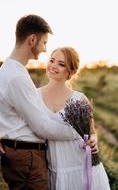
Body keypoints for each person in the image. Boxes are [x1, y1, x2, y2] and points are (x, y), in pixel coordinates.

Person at [0, 14, 98, 190]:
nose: (44, 49)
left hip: (42, 158)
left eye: (62, 64)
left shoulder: (13, 71)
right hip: (29, 159)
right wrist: (79, 133)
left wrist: (8, 137)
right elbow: (42, 126)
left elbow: (24, 118)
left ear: (70, 71)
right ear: (32, 40)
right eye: (44, 43)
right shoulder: (17, 76)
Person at [36, 46, 110, 190]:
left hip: (82, 166)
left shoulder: (79, 99)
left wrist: (93, 141)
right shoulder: (34, 96)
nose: (53, 66)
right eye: (52, 60)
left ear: (71, 72)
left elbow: (92, 132)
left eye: (61, 64)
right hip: (56, 168)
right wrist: (3, 139)